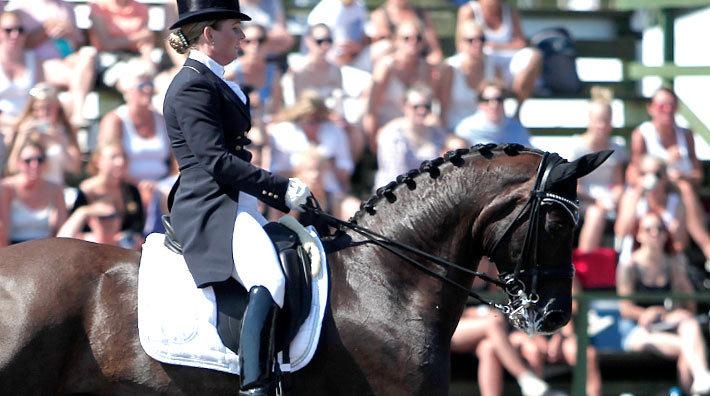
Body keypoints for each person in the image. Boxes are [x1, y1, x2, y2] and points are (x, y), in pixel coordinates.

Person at [163, 1, 313, 394]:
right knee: (269, 278)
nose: (244, 37)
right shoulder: (192, 84)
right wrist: (281, 188)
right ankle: (255, 386)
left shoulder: (214, 80)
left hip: (236, 201)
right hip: (210, 206)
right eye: (235, 29)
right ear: (209, 34)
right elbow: (215, 160)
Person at [616, 211, 710, 395]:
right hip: (636, 332)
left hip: (663, 325)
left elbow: (689, 304)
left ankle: (701, 381)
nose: (654, 233)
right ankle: (700, 379)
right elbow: (625, 310)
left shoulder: (672, 265)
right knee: (690, 348)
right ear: (639, 235)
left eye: (659, 229)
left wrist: (673, 312)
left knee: (689, 324)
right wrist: (647, 313)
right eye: (648, 229)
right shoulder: (629, 267)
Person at [626, 87, 710, 263]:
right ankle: (704, 244)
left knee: (685, 191)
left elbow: (698, 175)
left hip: (680, 194)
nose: (668, 110)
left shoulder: (686, 135)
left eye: (672, 105)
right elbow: (633, 174)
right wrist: (661, 170)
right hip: (655, 195)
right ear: (651, 108)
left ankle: (686, 253)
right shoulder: (642, 134)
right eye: (662, 105)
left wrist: (680, 177)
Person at [5, 0, 97, 127]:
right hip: (38, 65)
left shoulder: (67, 7)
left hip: (65, 60)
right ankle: (73, 116)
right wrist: (45, 31)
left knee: (88, 55)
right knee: (70, 88)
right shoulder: (19, 7)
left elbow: (78, 44)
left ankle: (77, 114)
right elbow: (18, 44)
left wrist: (69, 33)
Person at [362, 19, 445, 147]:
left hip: (416, 125)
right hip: (388, 128)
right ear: (396, 41)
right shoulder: (386, 67)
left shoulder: (426, 69)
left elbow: (430, 104)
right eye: (406, 38)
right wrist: (374, 144)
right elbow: (371, 110)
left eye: (417, 38)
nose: (413, 42)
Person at [567, 87, 627, 253]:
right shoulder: (577, 148)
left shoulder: (617, 148)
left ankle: (622, 258)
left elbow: (618, 183)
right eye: (598, 120)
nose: (602, 125)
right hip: (583, 200)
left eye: (606, 120)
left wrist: (614, 198)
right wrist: (597, 201)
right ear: (590, 120)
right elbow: (575, 186)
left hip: (609, 199)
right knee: (596, 214)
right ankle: (586, 261)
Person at [456, 0, 542, 109]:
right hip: (482, 61)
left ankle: (516, 107)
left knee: (534, 57)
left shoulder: (510, 11)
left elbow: (521, 43)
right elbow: (461, 43)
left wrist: (494, 45)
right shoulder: (468, 10)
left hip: (508, 64)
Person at [268, 89, 354, 195]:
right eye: (309, 121)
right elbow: (275, 172)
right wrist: (304, 171)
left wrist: (326, 166)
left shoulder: (335, 131)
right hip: (290, 193)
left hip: (330, 193)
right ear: (299, 117)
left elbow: (345, 170)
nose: (314, 125)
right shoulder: (282, 132)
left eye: (319, 120)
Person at [451, 305, 550, 396]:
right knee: (492, 324)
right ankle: (526, 378)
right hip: (451, 326)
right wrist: (482, 312)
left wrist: (524, 335)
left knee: (489, 347)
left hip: (501, 334)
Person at [5, 82, 81, 185]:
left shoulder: (65, 132)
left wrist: (60, 142)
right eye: (38, 108)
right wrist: (22, 137)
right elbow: (12, 168)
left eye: (48, 108)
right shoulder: (26, 130)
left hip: (55, 190)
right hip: (29, 189)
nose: (43, 113)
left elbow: (74, 169)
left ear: (57, 108)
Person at [373, 84, 447, 190]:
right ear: (405, 106)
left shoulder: (438, 134)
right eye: (416, 107)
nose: (422, 111)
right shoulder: (392, 135)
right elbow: (394, 176)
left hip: (430, 191)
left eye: (427, 106)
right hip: (394, 194)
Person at [70, 140, 145, 243]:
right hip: (91, 247)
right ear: (97, 161)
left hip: (124, 249)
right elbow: (69, 234)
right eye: (113, 157)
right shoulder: (85, 191)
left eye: (123, 157)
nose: (120, 162)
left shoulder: (131, 191)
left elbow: (138, 227)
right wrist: (86, 211)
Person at [0, 137, 67, 246]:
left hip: (46, 250)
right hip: (14, 250)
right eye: (28, 160)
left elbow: (63, 229)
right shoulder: (7, 188)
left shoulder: (55, 189)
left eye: (39, 160)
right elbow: (2, 231)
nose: (34, 165)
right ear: (18, 163)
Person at [224, 23, 283, 127]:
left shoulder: (274, 73)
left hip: (266, 127)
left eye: (260, 40)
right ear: (241, 43)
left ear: (267, 43)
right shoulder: (230, 71)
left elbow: (276, 111)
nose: (255, 46)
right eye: (248, 41)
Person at [441, 20, 493, 132]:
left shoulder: (493, 67)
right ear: (460, 43)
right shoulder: (450, 68)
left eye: (481, 39)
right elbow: (443, 109)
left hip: (485, 130)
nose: (477, 43)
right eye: (471, 40)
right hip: (455, 129)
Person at [0, 10, 43, 133]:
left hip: (28, 125)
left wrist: (27, 120)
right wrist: (14, 123)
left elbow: (39, 94)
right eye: (8, 30)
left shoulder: (34, 60)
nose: (15, 35)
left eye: (20, 30)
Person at [282, 23, 343, 107]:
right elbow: (291, 104)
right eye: (319, 41)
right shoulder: (296, 69)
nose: (324, 46)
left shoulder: (335, 70)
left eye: (329, 41)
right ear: (308, 41)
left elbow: (339, 105)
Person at [454, 79, 530, 146]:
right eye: (487, 100)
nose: (494, 105)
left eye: (498, 99)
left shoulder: (517, 128)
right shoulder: (466, 129)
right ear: (480, 104)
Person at [369, 0, 443, 64]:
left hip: (422, 65)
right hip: (395, 67)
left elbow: (434, 49)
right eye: (406, 38)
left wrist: (432, 65)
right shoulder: (380, 16)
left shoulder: (421, 15)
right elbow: (382, 49)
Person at [57, 198, 141, 250]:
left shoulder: (128, 242)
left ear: (119, 220)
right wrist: (82, 212)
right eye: (102, 217)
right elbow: (59, 244)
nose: (108, 222)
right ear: (90, 221)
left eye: (113, 216)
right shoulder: (82, 241)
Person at [306, 0, 368, 66]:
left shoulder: (360, 6)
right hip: (331, 55)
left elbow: (363, 34)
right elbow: (316, 39)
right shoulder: (326, 6)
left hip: (355, 54)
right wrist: (337, 46)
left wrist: (358, 46)